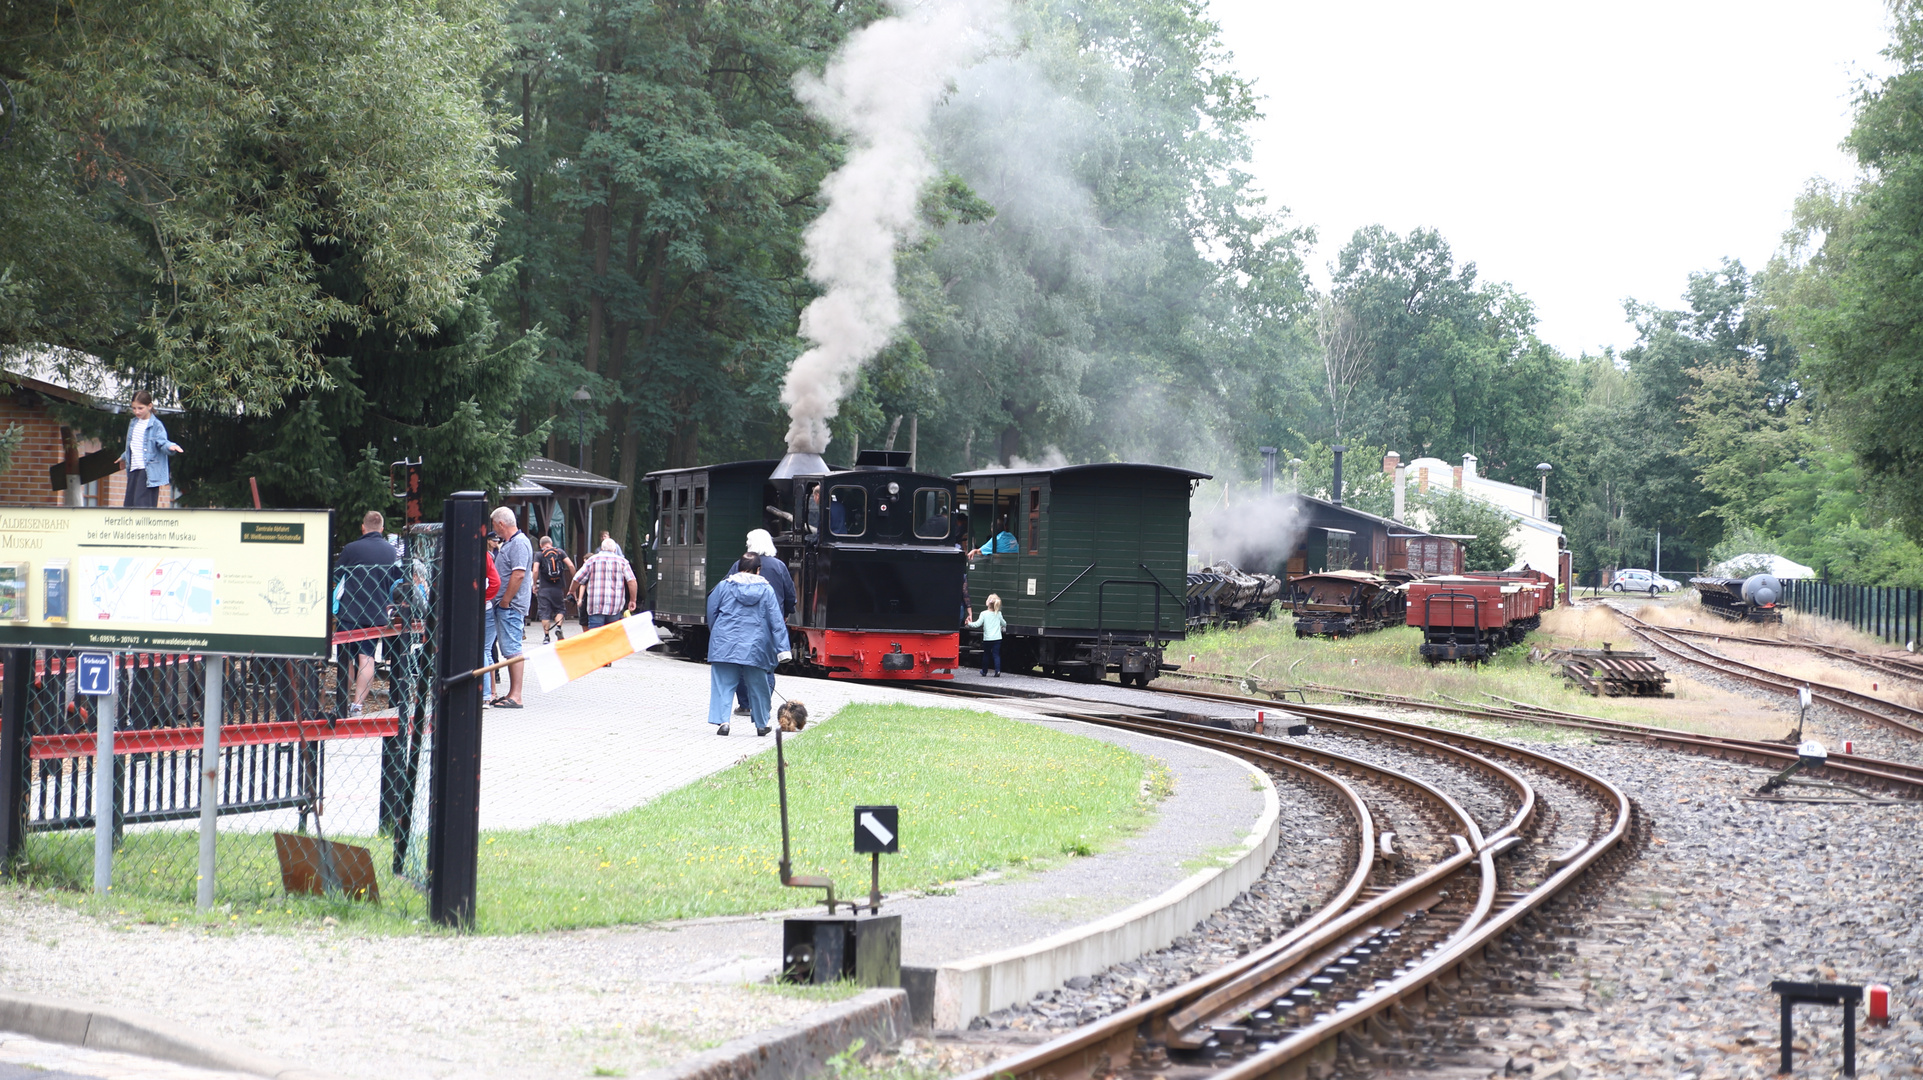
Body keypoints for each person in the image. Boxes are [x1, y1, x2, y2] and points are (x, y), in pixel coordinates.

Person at [706, 552, 789, 737]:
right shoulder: (767, 590)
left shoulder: (723, 587)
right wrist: (783, 648)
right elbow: (776, 620)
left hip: (724, 644)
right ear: (759, 570)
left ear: (738, 568)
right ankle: (761, 724)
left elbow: (712, 612)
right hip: (756, 647)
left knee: (723, 684)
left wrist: (717, 634)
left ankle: (724, 723)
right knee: (759, 686)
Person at [336, 511, 399, 715]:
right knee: (367, 657)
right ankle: (357, 705)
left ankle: (341, 702)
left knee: (346, 658)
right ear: (382, 528)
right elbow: (396, 578)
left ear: (363, 528)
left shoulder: (351, 549)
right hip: (376, 613)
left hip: (349, 612)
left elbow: (337, 574)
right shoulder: (391, 551)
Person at [726, 529, 795, 717]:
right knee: (768, 664)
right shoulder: (780, 566)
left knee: (742, 662)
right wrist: (787, 612)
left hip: (743, 624)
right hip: (771, 626)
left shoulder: (738, 566)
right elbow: (790, 593)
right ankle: (763, 704)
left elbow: (726, 589)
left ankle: (746, 704)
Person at [488, 507, 535, 708]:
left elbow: (518, 574)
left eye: (494, 525)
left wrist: (506, 600)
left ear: (501, 524)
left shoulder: (519, 543)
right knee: (508, 648)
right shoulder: (511, 543)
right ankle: (511, 693)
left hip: (511, 606)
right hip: (504, 605)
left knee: (512, 649)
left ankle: (516, 696)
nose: (494, 531)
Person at [114, 390, 182, 508]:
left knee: (142, 504)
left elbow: (162, 442)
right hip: (134, 468)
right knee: (130, 504)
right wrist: (124, 456)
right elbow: (135, 445)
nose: (137, 412)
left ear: (149, 406)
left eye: (140, 408)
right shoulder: (133, 423)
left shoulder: (156, 425)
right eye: (134, 408)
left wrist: (171, 447)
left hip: (147, 470)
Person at [571, 537, 638, 632]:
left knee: (595, 637)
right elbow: (632, 581)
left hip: (595, 605)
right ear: (615, 549)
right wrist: (633, 600)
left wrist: (572, 590)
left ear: (601, 549)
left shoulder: (591, 560)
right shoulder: (623, 562)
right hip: (615, 606)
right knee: (611, 637)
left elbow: (577, 579)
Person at [534, 536, 576, 644]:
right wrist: (575, 581)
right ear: (551, 543)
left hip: (544, 588)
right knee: (560, 609)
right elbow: (571, 565)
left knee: (544, 612)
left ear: (540, 545)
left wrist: (534, 584)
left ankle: (546, 636)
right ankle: (558, 627)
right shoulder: (560, 552)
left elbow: (535, 571)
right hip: (558, 588)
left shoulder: (539, 554)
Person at [966, 593, 1007, 677]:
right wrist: (1002, 625)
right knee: (996, 655)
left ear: (988, 603)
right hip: (997, 639)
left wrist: (969, 623)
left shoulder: (984, 614)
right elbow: (1004, 623)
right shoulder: (998, 614)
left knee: (986, 655)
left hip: (987, 639)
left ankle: (984, 671)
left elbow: (977, 624)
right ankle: (997, 671)